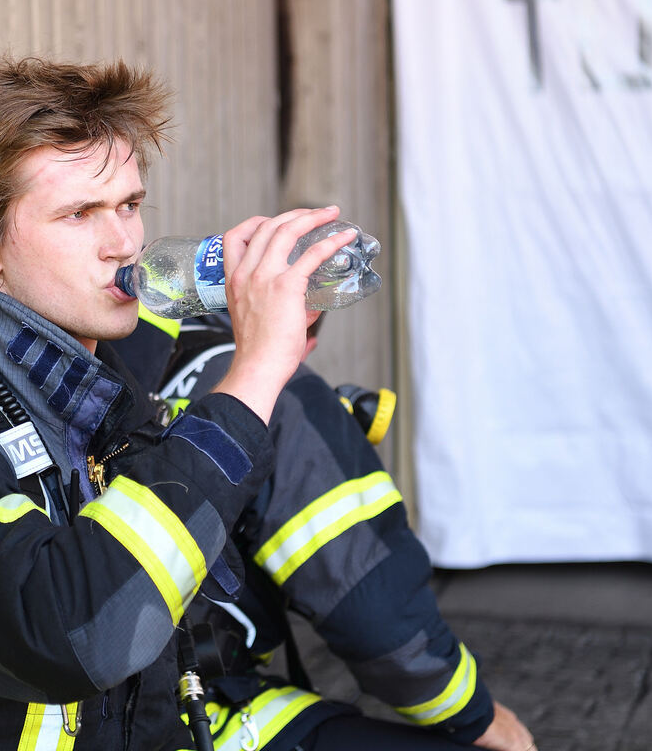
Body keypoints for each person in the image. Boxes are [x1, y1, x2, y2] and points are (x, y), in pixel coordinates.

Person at [0, 56, 360, 750]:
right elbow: (76, 632)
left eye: (130, 205)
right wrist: (258, 369)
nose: (124, 244)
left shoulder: (103, 412)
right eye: (80, 213)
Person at [108, 309, 538, 750]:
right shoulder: (280, 391)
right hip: (187, 714)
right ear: (304, 342)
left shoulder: (118, 347)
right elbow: (373, 611)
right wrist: (475, 714)